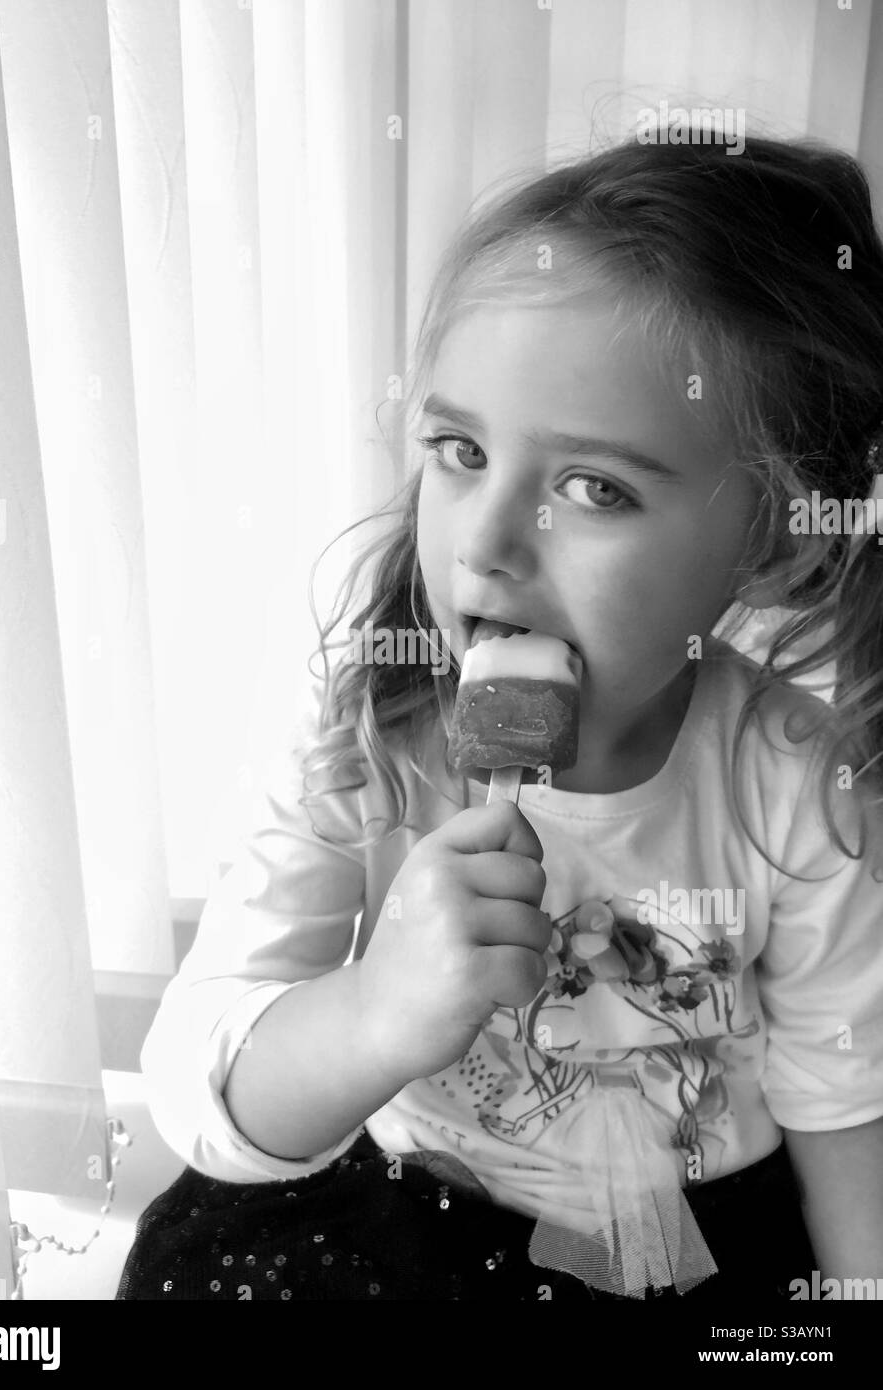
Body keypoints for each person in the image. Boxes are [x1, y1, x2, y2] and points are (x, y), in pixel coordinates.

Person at [117, 127, 883, 1302]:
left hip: (689, 1247)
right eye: (460, 449)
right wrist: (373, 1015)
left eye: (594, 487)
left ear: (770, 540)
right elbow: (199, 1085)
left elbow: (844, 1106)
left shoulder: (794, 783)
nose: (482, 539)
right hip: (398, 1207)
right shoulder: (366, 740)